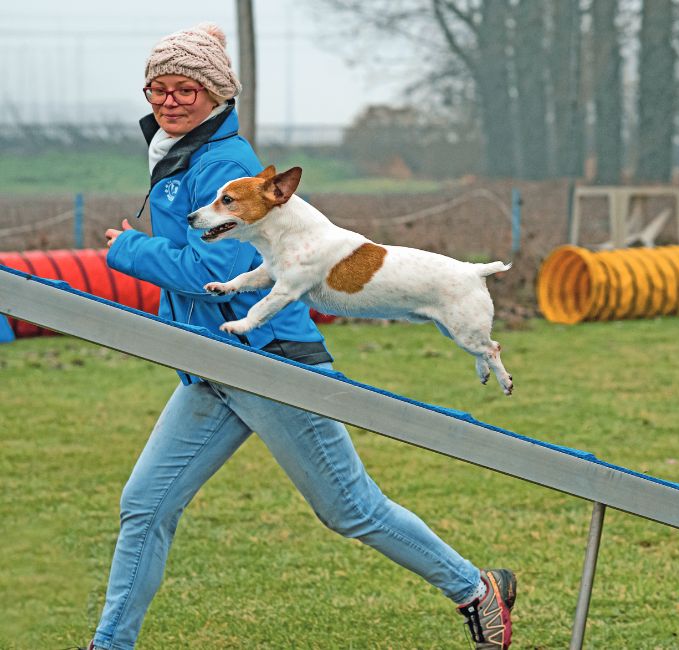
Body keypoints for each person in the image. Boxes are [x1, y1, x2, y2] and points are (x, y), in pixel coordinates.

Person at [85, 23, 516, 650]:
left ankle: (478, 592)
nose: (169, 100)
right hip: (212, 362)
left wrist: (129, 250)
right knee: (145, 506)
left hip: (270, 362)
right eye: (158, 88)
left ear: (217, 96)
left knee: (351, 509)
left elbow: (223, 273)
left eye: (185, 89)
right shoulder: (177, 158)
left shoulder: (227, 165)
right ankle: (110, 644)